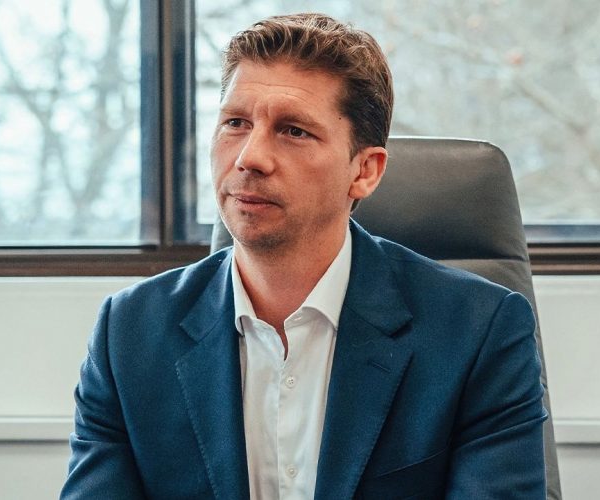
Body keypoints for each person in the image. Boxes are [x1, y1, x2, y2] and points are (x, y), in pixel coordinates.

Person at [61, 13, 547, 499]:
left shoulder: (478, 331)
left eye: (293, 131)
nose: (250, 157)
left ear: (365, 171)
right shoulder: (130, 333)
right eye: (235, 123)